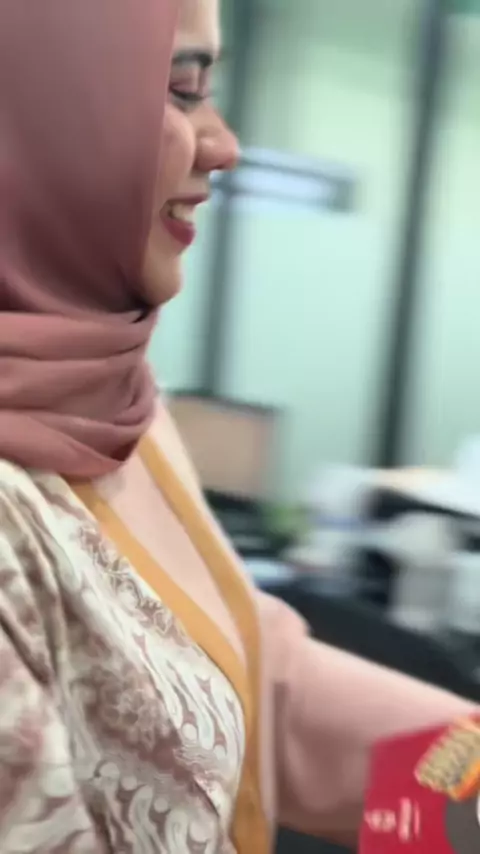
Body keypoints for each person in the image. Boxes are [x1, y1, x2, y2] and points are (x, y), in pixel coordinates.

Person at [0, 2, 475, 852]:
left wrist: (467, 796)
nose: (224, 145)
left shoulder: (111, 400)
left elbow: (248, 688)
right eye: (181, 90)